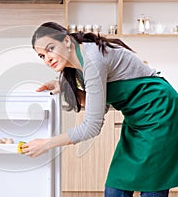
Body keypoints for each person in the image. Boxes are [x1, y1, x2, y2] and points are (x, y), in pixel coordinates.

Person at [21, 22, 178, 197]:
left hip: (161, 114)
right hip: (137, 120)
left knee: (151, 186)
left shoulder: (92, 60)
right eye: (42, 55)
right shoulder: (77, 65)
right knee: (116, 188)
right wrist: (63, 87)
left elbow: (92, 127)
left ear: (66, 41)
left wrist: (46, 144)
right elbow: (101, 105)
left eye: (50, 48)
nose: (47, 58)